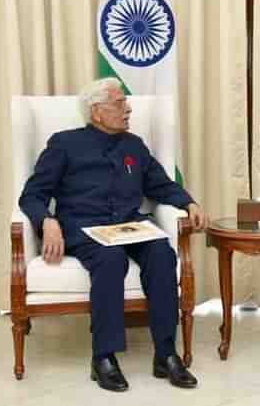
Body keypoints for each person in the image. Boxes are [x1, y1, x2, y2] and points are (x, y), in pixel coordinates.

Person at [19, 77, 208, 392]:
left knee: (162, 253)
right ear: (97, 112)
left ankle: (165, 354)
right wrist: (47, 221)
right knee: (110, 259)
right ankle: (103, 356)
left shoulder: (134, 145)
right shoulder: (64, 143)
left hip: (129, 224)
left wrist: (189, 203)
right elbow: (32, 195)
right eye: (120, 103)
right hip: (83, 227)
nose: (128, 108)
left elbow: (160, 184)